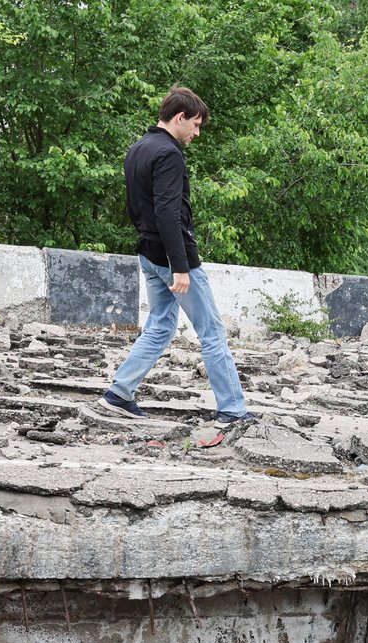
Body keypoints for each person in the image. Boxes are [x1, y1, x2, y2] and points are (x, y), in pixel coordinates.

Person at [97, 85, 254, 427]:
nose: (196, 133)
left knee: (161, 325)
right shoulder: (168, 153)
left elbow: (139, 207)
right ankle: (233, 410)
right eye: (195, 125)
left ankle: (119, 393)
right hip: (172, 258)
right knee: (211, 330)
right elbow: (169, 213)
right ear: (180, 118)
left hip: (148, 253)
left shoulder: (139, 147)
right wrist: (180, 267)